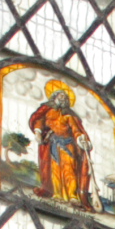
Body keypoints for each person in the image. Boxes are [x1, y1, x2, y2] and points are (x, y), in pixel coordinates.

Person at [27, 80, 95, 209]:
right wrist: (38, 131)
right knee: (55, 171)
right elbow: (40, 121)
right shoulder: (48, 111)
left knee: (69, 170)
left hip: (68, 145)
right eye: (60, 96)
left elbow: (76, 129)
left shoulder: (70, 115)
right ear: (54, 97)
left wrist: (81, 139)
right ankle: (57, 194)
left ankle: (73, 196)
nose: (62, 99)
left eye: (65, 97)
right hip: (53, 144)